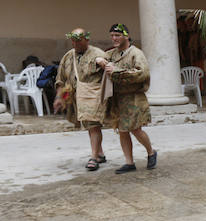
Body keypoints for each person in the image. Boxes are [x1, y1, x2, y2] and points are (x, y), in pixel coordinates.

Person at [96, 23, 157, 174]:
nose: (114, 39)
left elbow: (142, 73)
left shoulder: (136, 53)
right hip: (118, 99)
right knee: (122, 130)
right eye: (112, 36)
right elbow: (99, 59)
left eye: (117, 35)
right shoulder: (113, 54)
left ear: (126, 36)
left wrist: (117, 71)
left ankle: (151, 151)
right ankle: (129, 162)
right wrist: (99, 60)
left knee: (135, 129)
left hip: (134, 98)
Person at [53, 28, 110, 171]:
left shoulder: (98, 54)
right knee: (89, 126)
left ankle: (94, 157)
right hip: (77, 97)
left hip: (93, 96)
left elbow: (110, 76)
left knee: (93, 125)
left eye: (78, 40)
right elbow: (61, 79)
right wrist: (60, 98)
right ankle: (100, 153)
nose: (75, 43)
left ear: (87, 39)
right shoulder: (68, 56)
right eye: (73, 40)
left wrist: (103, 63)